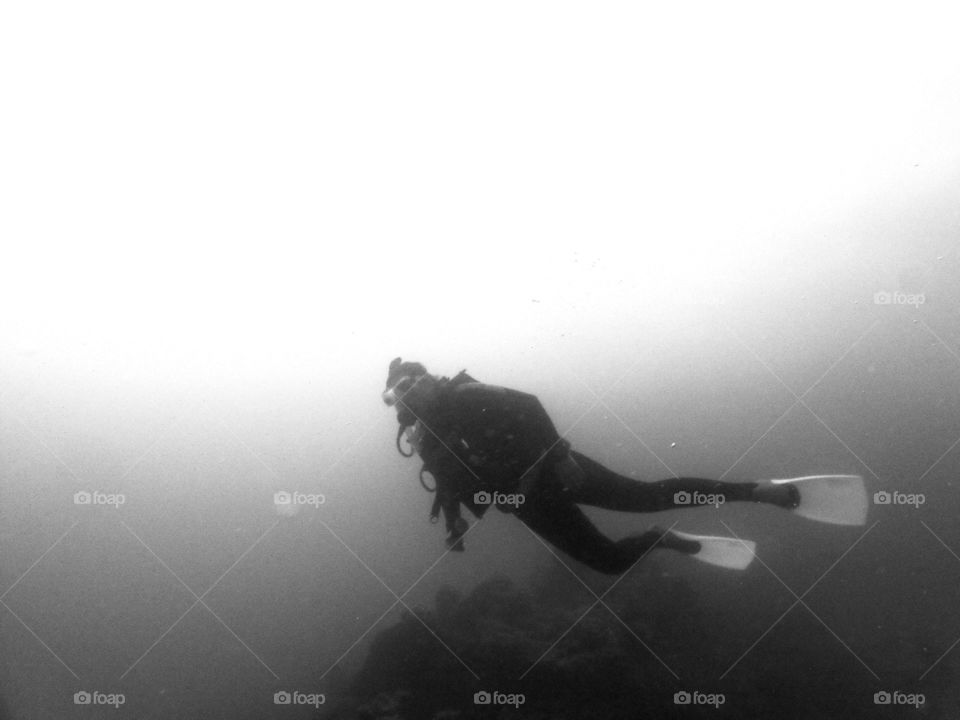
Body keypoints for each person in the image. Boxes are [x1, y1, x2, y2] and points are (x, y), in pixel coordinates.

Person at [381, 358, 807, 575]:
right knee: (608, 563)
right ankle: (662, 540)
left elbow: (529, 405)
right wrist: (454, 522)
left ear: (426, 377)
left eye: (411, 383)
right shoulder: (427, 441)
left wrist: (561, 454)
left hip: (554, 469)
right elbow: (449, 483)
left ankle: (756, 491)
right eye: (398, 393)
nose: (409, 394)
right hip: (529, 506)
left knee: (648, 496)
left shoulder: (464, 397)